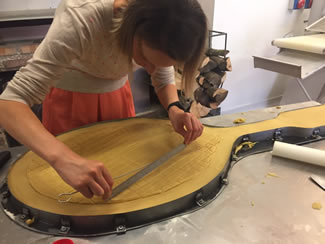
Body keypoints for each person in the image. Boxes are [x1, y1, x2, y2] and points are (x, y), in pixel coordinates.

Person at [0, 0, 207, 200]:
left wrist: (174, 108)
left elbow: (161, 73)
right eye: (147, 61)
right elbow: (9, 102)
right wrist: (63, 158)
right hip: (71, 103)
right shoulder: (82, 17)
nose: (151, 70)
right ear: (131, 27)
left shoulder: (160, 22)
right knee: (72, 189)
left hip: (118, 99)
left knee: (121, 174)